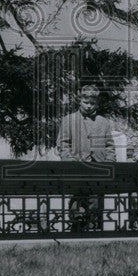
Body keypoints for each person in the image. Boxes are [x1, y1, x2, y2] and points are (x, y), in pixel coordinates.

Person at [56, 83, 115, 232]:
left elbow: (110, 146)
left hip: (98, 168)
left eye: (93, 103)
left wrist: (109, 162)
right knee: (77, 202)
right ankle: (77, 231)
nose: (89, 106)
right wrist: (70, 162)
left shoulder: (104, 122)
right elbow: (63, 145)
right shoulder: (68, 120)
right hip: (76, 168)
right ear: (79, 101)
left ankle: (95, 231)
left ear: (97, 103)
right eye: (86, 102)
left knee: (95, 202)